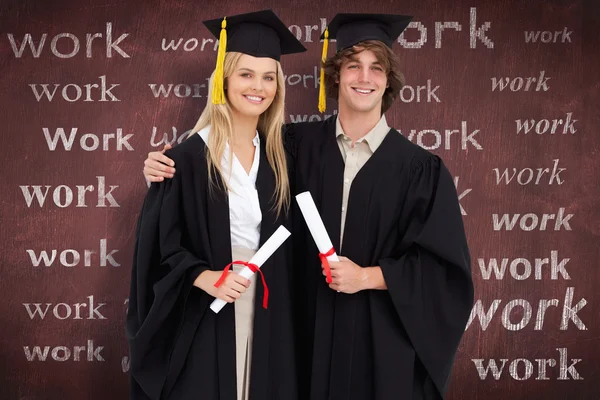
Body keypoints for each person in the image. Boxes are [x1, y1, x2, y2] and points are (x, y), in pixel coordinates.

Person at [143, 12, 474, 400]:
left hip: (380, 344)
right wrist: (164, 166)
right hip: (301, 337)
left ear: (389, 81)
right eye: (353, 66)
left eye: (376, 68)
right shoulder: (292, 147)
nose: (364, 78)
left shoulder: (422, 170)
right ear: (334, 76)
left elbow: (444, 273)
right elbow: (229, 147)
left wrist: (366, 277)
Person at [126, 10, 306, 400]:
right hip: (210, 310)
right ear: (223, 79)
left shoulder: (282, 157)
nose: (258, 86)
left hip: (270, 310)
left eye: (268, 76)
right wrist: (202, 276)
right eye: (245, 74)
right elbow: (157, 247)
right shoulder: (187, 158)